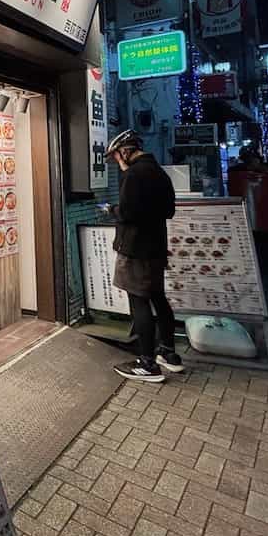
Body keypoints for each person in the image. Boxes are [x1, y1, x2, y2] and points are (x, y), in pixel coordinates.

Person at [101, 129, 181, 382]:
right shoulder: (159, 173)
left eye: (116, 156)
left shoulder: (134, 174)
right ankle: (168, 353)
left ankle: (147, 364)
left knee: (139, 302)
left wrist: (111, 209)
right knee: (158, 298)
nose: (117, 161)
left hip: (136, 249)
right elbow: (169, 211)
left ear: (125, 151)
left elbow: (127, 212)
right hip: (156, 248)